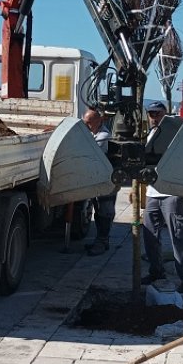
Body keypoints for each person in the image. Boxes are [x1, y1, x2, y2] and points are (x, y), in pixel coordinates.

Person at [141, 100, 183, 293]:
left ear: (165, 114)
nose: (154, 117)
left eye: (158, 113)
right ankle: (156, 271)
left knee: (178, 236)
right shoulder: (149, 134)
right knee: (149, 235)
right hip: (152, 192)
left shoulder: (176, 135)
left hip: (172, 193)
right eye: (151, 114)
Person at [82, 108, 116, 256]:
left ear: (99, 121)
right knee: (98, 211)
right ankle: (101, 241)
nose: (87, 126)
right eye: (86, 123)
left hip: (106, 182)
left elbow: (91, 154)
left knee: (105, 212)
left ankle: (102, 241)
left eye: (90, 123)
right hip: (98, 181)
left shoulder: (103, 137)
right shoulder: (93, 133)